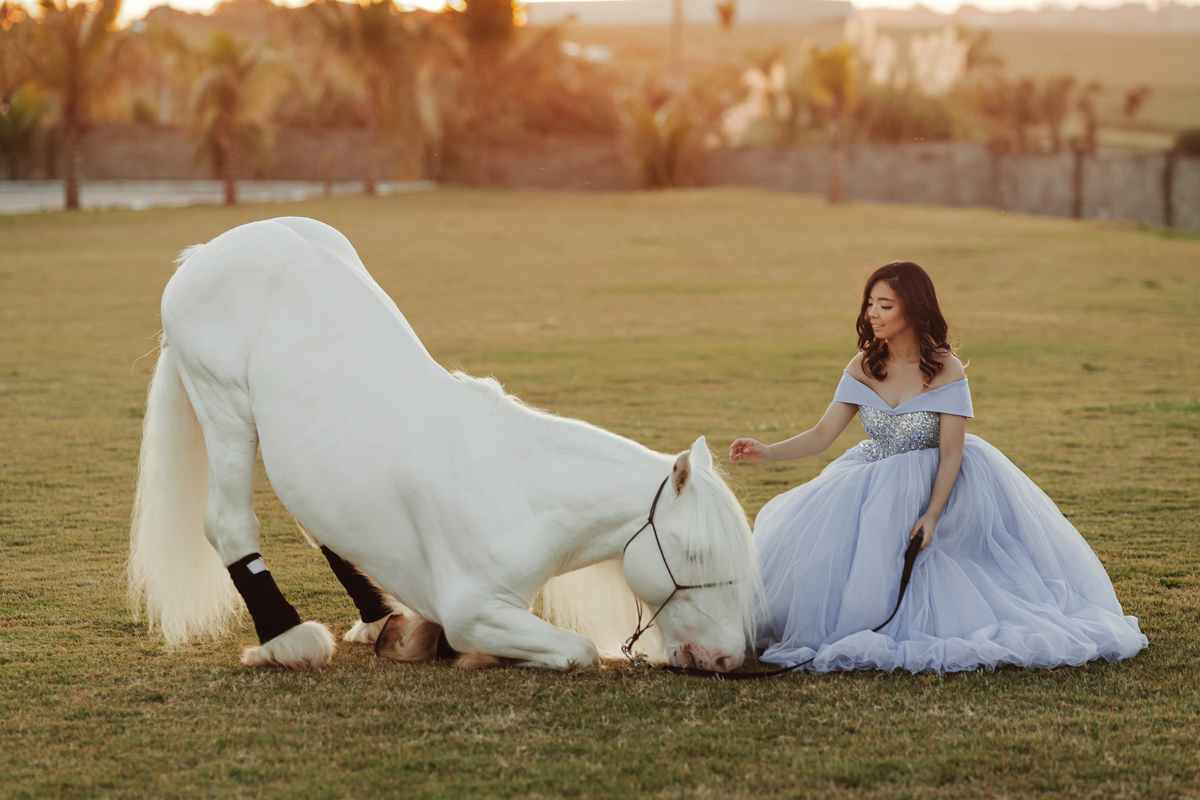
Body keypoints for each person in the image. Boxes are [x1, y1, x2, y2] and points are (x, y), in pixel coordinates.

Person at [729, 261, 1147, 673]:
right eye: (870, 304)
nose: (873, 314)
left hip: (938, 481)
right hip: (871, 478)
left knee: (940, 569)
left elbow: (952, 455)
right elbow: (822, 435)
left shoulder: (945, 368)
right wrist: (767, 452)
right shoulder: (863, 365)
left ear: (912, 308)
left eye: (885, 305)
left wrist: (931, 514)